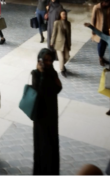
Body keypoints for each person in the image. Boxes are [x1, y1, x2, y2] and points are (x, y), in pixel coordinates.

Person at [31, 48, 62, 176]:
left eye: (50, 60)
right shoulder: (35, 74)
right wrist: (42, 74)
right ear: (40, 60)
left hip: (51, 113)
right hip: (41, 115)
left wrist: (46, 74)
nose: (48, 62)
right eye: (45, 60)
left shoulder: (53, 72)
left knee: (52, 144)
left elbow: (58, 88)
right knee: (42, 145)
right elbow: (38, 93)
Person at [91, 0, 110, 66]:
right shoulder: (96, 7)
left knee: (105, 44)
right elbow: (93, 19)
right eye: (108, 3)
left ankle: (102, 56)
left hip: (107, 29)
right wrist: (93, 29)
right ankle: (100, 58)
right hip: (99, 29)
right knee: (100, 44)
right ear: (104, 2)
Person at [51, 9, 72, 75]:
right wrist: (52, 41)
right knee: (61, 58)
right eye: (63, 14)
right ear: (60, 15)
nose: (64, 15)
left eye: (65, 14)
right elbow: (54, 33)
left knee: (67, 57)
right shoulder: (57, 22)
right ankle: (62, 70)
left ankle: (62, 65)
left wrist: (69, 44)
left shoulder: (68, 23)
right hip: (59, 43)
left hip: (66, 43)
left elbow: (69, 35)